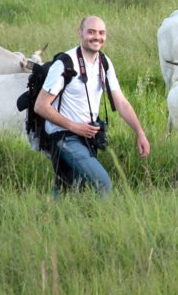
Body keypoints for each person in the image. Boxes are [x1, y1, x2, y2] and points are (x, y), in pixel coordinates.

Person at [34, 15, 150, 196]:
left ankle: (53, 220)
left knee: (68, 189)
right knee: (102, 183)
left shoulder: (104, 62)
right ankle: (103, 222)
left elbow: (121, 102)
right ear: (80, 33)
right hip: (64, 136)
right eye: (91, 32)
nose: (97, 37)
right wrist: (75, 127)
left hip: (88, 137)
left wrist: (140, 133)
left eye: (101, 33)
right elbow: (40, 106)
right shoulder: (65, 63)